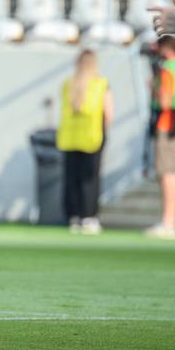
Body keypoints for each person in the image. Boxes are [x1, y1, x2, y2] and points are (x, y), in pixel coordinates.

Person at [56, 50, 113, 235]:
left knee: (72, 178)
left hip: (70, 137)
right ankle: (88, 216)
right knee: (90, 179)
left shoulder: (68, 84)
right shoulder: (101, 84)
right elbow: (108, 113)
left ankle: (73, 216)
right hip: (92, 136)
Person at [145, 36, 175, 240]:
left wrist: (154, 86)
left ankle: (169, 222)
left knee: (167, 173)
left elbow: (164, 101)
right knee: (171, 173)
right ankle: (170, 221)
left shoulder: (168, 67)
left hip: (167, 122)